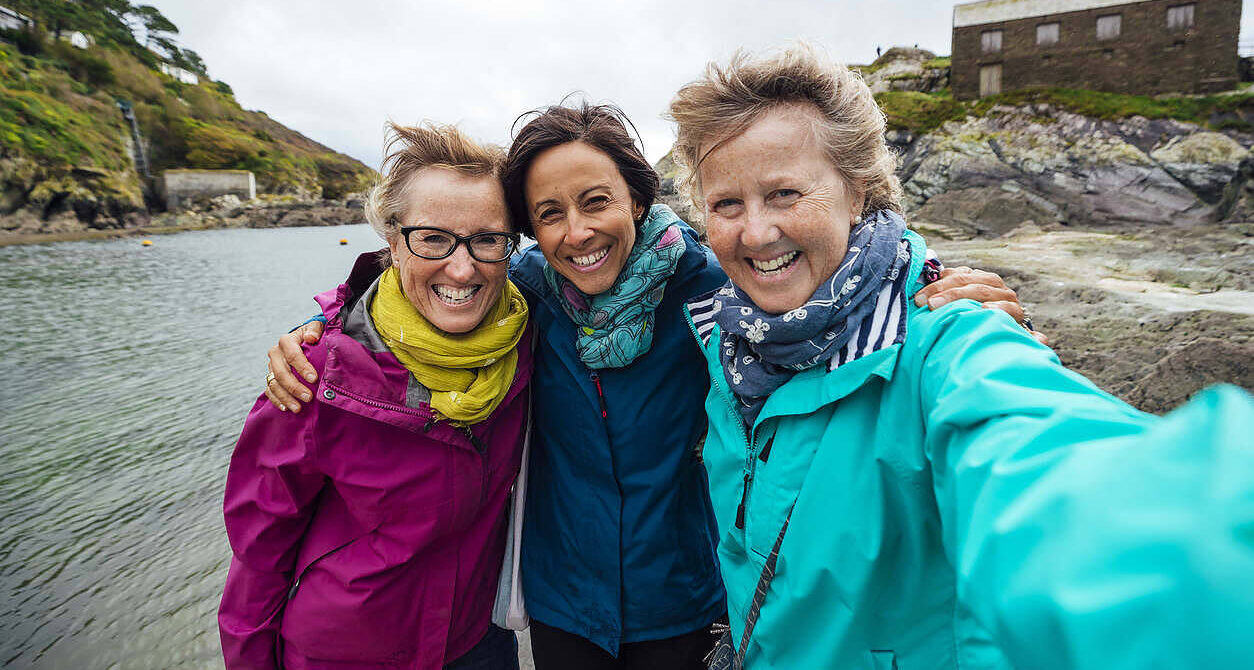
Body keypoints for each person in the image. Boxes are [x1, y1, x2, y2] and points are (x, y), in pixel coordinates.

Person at [264, 104, 1034, 669]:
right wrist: (320, 328)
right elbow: (420, 290)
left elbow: (826, 284)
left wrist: (929, 281)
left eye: (596, 201)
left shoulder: (709, 284)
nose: (578, 231)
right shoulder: (527, 291)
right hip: (563, 601)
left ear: (637, 197)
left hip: (683, 600)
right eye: (549, 214)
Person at [666, 45, 1254, 669]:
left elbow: (1048, 468)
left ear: (858, 193)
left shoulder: (949, 337)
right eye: (727, 204)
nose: (755, 233)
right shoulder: (727, 341)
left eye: (785, 193)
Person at [220, 123, 533, 670]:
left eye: (486, 238)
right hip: (344, 654)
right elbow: (258, 554)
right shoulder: (315, 375)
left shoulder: (525, 337)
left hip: (476, 645)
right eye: (432, 238)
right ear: (392, 242)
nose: (462, 267)